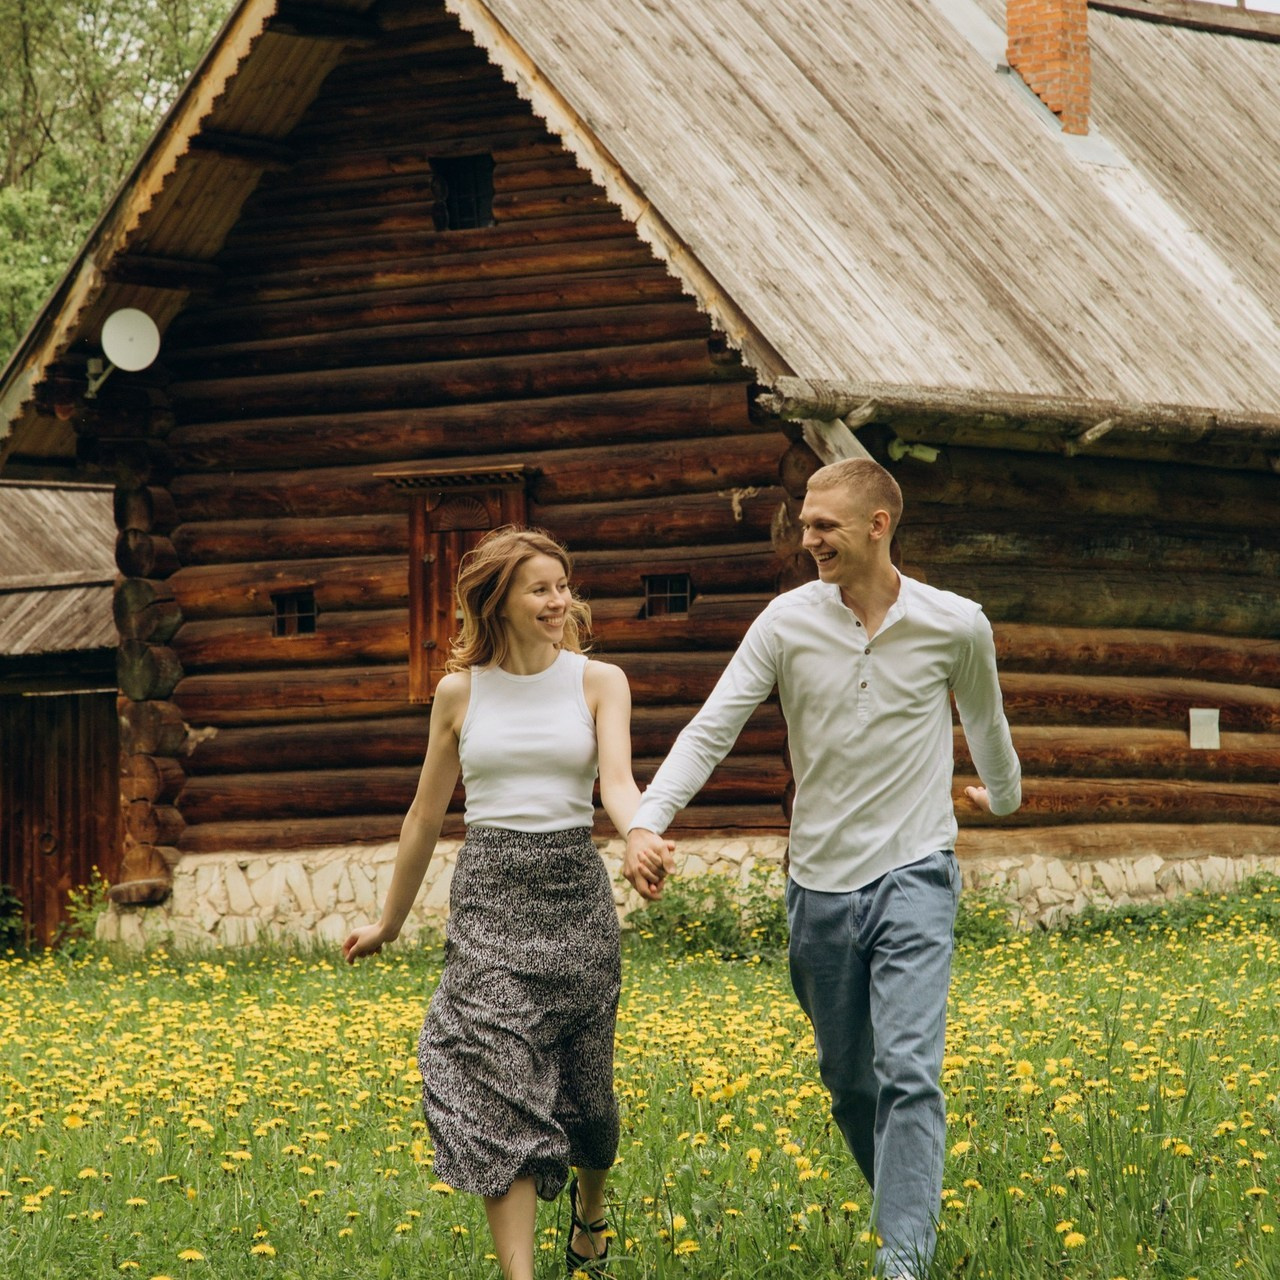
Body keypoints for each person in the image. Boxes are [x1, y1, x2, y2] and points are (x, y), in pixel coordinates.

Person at [625, 458, 1021, 1279]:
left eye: (824, 527)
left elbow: (989, 728)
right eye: (805, 524)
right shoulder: (784, 623)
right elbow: (710, 729)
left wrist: (1006, 800)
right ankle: (906, 1210)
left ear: (879, 525)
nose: (807, 540)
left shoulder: (956, 625)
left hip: (916, 869)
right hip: (818, 886)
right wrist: (645, 822)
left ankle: (904, 1260)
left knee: (909, 1069)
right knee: (849, 1083)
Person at [345, 526, 668, 1280]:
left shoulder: (599, 681)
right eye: (541, 589)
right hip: (489, 898)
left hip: (573, 897)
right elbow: (426, 813)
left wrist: (638, 835)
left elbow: (617, 783)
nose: (559, 601)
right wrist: (389, 921)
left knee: (588, 1099)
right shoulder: (459, 693)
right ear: (499, 601)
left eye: (562, 586)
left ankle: (590, 1210)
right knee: (495, 1082)